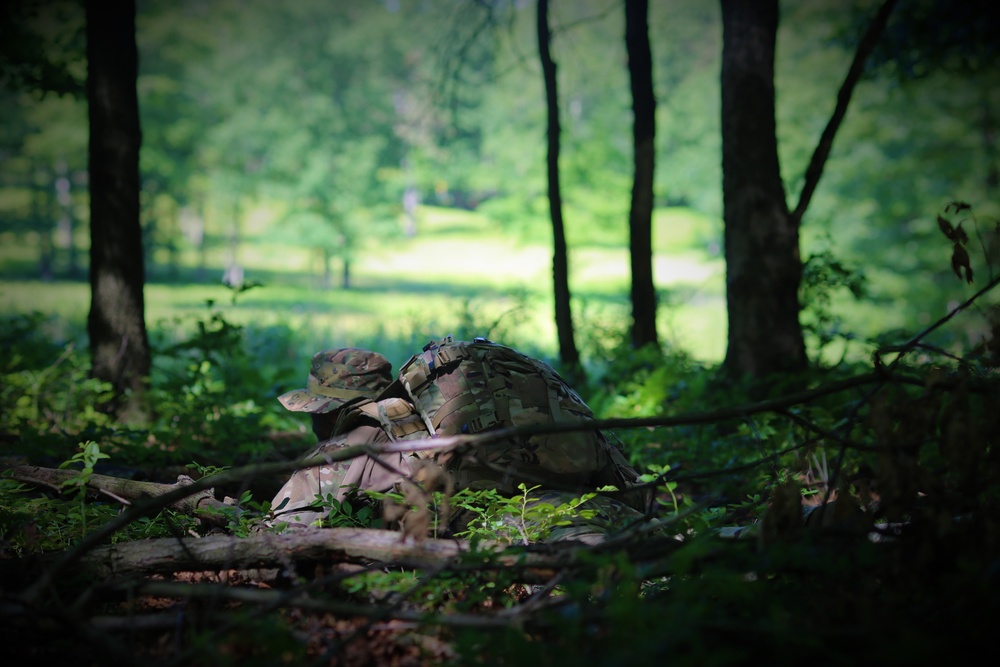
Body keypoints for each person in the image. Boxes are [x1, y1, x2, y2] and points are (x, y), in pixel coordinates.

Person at [269, 338, 652, 542]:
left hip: (521, 547)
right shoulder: (445, 423)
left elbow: (279, 536)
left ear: (325, 410)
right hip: (608, 517)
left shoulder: (345, 449)